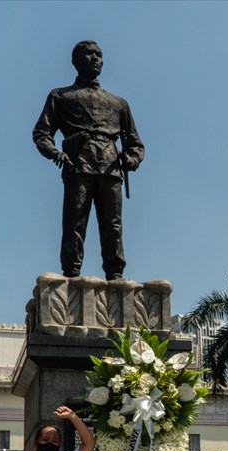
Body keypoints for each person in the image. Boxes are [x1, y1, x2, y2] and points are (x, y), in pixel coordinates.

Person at [33, 40, 145, 281]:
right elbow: (41, 134)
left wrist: (131, 159)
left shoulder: (119, 103)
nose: (95, 59)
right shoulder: (60, 96)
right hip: (78, 163)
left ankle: (115, 274)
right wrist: (56, 153)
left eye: (99, 55)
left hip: (110, 165)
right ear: (75, 61)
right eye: (89, 54)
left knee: (113, 225)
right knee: (75, 221)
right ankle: (71, 274)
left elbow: (136, 144)